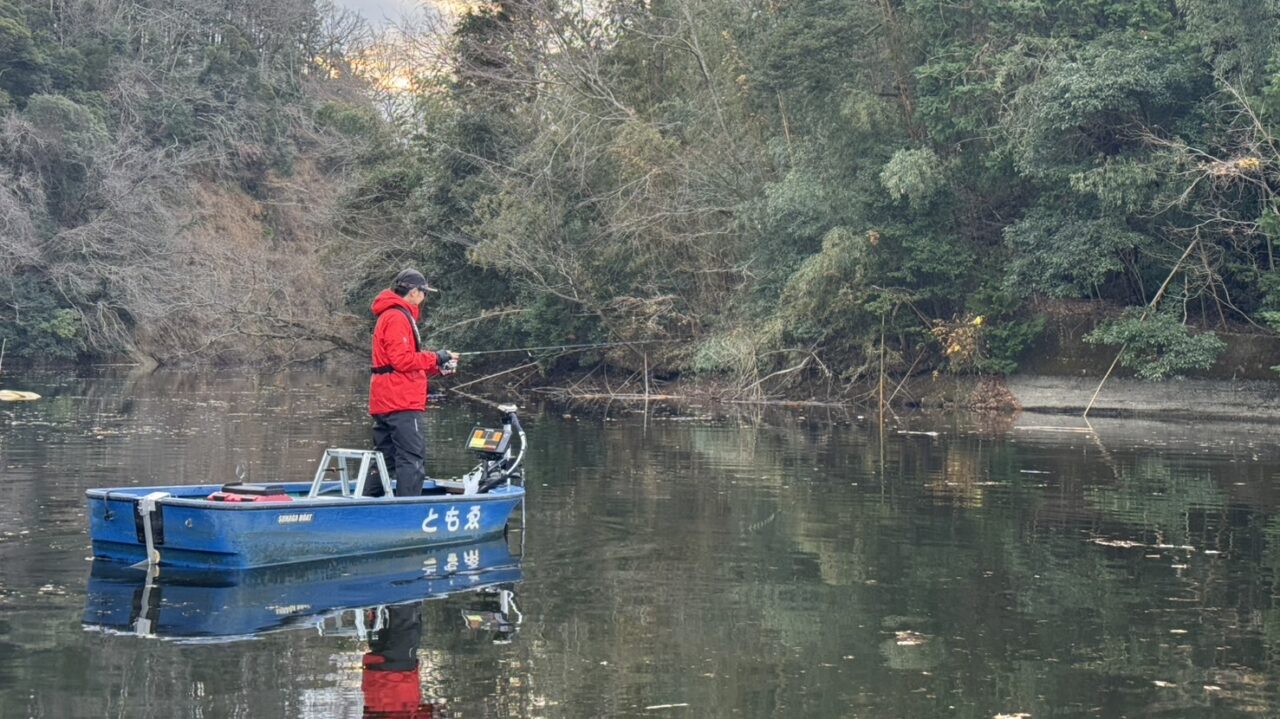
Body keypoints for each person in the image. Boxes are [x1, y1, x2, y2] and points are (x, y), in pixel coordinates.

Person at [368, 269, 459, 497]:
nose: (424, 297)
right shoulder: (397, 317)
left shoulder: (390, 315)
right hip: (401, 401)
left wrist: (438, 366)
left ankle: (368, 502)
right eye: (424, 292)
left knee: (384, 458)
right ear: (414, 292)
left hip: (385, 399)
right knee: (411, 458)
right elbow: (401, 360)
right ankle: (408, 509)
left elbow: (398, 361)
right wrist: (436, 357)